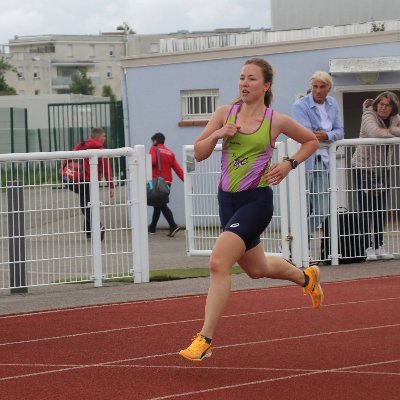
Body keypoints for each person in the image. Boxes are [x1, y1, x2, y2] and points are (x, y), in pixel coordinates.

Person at [178, 58, 321, 362]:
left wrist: (288, 163)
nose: (244, 83)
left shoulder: (275, 121)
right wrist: (217, 135)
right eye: (242, 78)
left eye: (252, 79)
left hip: (255, 201)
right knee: (257, 269)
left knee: (219, 263)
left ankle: (204, 340)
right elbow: (199, 153)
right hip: (226, 201)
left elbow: (311, 141)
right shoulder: (224, 114)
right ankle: (306, 278)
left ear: (266, 85)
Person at [291, 71, 344, 238]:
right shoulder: (300, 105)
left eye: (322, 87)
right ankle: (299, 248)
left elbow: (340, 131)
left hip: (323, 162)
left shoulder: (333, 103)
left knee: (321, 211)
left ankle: (295, 240)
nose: (318, 90)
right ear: (311, 86)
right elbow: (307, 134)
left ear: (329, 88)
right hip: (304, 160)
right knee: (302, 208)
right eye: (315, 86)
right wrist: (325, 135)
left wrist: (327, 136)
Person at [351, 91, 400, 261]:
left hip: (383, 169)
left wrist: (392, 129)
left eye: (388, 105)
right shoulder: (368, 114)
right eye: (382, 104)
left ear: (393, 108)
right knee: (366, 208)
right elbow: (374, 132)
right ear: (377, 104)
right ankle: (367, 246)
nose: (384, 108)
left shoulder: (395, 118)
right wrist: (394, 132)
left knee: (380, 208)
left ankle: (379, 245)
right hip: (363, 167)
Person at [63, 127, 114, 241]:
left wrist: (63, 169)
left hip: (82, 181)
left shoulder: (81, 146)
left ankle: (92, 230)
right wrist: (110, 185)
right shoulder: (101, 150)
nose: (105, 138)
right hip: (94, 183)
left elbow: (69, 157)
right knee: (90, 205)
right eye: (104, 136)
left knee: (85, 207)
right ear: (99, 137)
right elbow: (107, 169)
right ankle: (92, 230)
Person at [148, 132, 184, 237]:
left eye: (152, 141)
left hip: (157, 183)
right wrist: (186, 182)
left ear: (155, 141)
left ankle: (173, 225)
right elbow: (178, 170)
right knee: (158, 205)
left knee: (161, 205)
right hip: (167, 183)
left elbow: (153, 161)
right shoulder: (170, 153)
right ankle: (152, 228)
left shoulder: (154, 149)